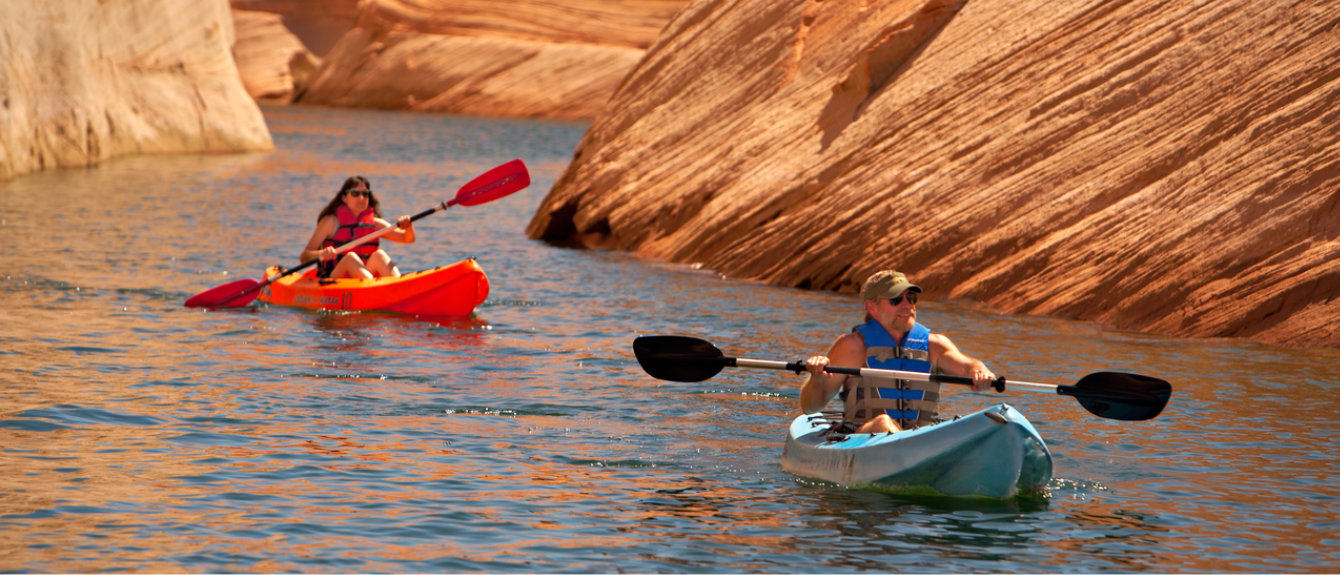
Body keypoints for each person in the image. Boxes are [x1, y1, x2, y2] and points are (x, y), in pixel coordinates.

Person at [799, 270, 998, 434]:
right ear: (872, 307)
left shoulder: (935, 344)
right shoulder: (852, 346)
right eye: (896, 299)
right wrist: (817, 379)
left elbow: (966, 366)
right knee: (882, 423)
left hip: (921, 439)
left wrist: (979, 371)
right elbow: (811, 407)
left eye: (911, 298)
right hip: (863, 439)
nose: (907, 305)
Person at [300, 176, 415, 280]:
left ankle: (397, 284)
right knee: (350, 257)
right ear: (344, 198)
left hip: (361, 278)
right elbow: (304, 256)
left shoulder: (374, 223)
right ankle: (372, 288)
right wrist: (321, 253)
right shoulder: (330, 222)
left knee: (379, 255)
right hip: (334, 277)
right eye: (355, 194)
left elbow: (407, 238)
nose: (361, 198)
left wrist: (408, 226)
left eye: (365, 194)